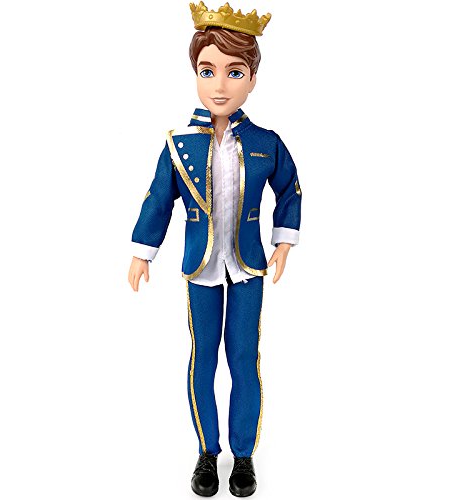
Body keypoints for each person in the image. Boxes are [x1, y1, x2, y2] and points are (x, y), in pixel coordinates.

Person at [128, 2, 302, 496]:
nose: (220, 85)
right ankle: (208, 451)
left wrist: (283, 242)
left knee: (243, 356)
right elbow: (158, 200)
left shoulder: (266, 142)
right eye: (208, 71)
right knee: (202, 357)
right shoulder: (179, 143)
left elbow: (290, 190)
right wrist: (143, 251)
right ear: (195, 75)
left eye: (235, 72)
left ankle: (243, 456)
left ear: (252, 80)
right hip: (200, 267)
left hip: (248, 268)